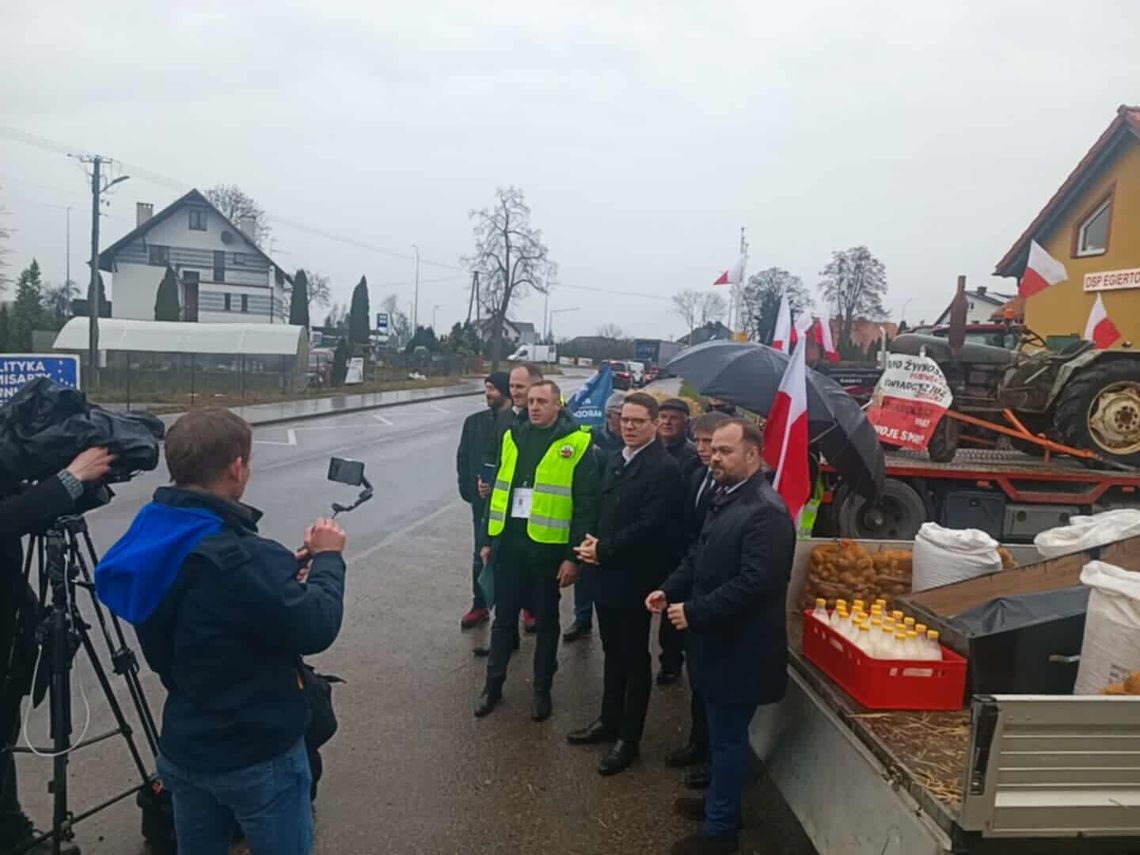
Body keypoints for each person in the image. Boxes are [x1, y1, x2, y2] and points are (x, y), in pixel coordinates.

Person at [95, 408, 348, 855]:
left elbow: (201, 606)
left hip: (185, 744)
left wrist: (276, 577)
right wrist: (328, 559)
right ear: (236, 467)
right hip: (255, 752)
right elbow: (317, 625)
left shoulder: (155, 531)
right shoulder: (241, 557)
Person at [647, 419, 795, 855]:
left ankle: (721, 833)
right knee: (721, 736)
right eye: (713, 450)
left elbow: (757, 583)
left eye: (725, 451)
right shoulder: (727, 496)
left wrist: (694, 611)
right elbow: (700, 552)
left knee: (729, 742)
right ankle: (720, 806)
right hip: (718, 645)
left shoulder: (766, 512)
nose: (714, 457)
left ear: (753, 455)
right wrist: (669, 588)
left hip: (742, 651)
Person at [1, 448, 114, 854]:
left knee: (4, 731)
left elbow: (22, 508)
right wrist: (68, 479)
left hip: (11, 619)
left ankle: (11, 833)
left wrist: (85, 484)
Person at [569, 393, 684, 776]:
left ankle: (628, 739)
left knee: (634, 659)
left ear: (654, 424)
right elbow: (603, 509)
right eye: (625, 420)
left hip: (635, 578)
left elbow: (652, 526)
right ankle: (608, 720)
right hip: (605, 574)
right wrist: (590, 544)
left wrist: (603, 549)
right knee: (612, 651)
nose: (629, 426)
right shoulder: (618, 458)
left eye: (638, 421)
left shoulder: (663, 469)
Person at [474, 380, 599, 722]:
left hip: (547, 551)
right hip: (510, 546)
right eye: (530, 401)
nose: (534, 407)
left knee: (546, 623)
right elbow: (498, 492)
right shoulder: (512, 436)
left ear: (558, 405)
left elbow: (585, 506)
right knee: (503, 621)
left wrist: (573, 557)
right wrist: (487, 540)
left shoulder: (577, 443)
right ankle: (492, 687)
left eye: (542, 401)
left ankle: (542, 690)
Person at [664, 410, 730, 791]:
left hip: (712, 593)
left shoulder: (732, 490)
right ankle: (696, 742)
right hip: (691, 580)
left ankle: (709, 757)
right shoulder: (696, 475)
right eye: (700, 441)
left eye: (712, 443)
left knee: (713, 678)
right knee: (696, 671)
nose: (705, 450)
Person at [480, 362, 544, 636]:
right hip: (506, 514)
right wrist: (486, 481)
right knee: (505, 584)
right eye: (512, 386)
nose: (514, 392)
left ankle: (531, 613)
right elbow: (494, 456)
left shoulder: (549, 421)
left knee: (532, 581)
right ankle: (506, 639)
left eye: (520, 386)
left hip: (536, 517)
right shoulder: (505, 418)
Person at [563, 391, 626, 644]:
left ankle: (615, 618)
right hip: (591, 510)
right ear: (609, 416)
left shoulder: (633, 443)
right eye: (620, 415)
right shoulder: (591, 437)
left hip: (617, 513)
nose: (625, 422)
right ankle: (582, 617)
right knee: (584, 563)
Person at [456, 371, 510, 629]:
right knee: (480, 554)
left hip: (509, 503)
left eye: (493, 388)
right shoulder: (474, 422)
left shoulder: (518, 423)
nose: (488, 393)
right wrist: (467, 490)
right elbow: (463, 457)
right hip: (481, 502)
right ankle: (479, 605)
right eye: (486, 388)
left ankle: (526, 608)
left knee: (513, 557)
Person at [655, 398, 703, 685]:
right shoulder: (651, 450)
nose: (667, 422)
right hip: (652, 541)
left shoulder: (693, 457)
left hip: (678, 543)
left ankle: (671, 661)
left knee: (672, 605)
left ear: (686, 422)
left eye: (673, 417)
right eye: (663, 416)